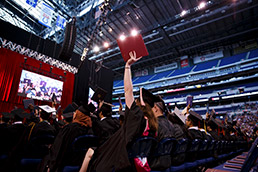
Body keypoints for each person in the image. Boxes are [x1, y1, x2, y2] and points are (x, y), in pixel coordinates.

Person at [86, 51, 157, 172]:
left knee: (94, 156)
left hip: (120, 161)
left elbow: (128, 91)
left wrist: (127, 66)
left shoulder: (136, 116)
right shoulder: (153, 125)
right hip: (136, 163)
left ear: (141, 104)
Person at [39, 104, 95, 172]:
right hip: (82, 166)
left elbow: (58, 149)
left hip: (65, 163)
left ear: (78, 115)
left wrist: (51, 166)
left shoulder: (69, 129)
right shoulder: (91, 131)